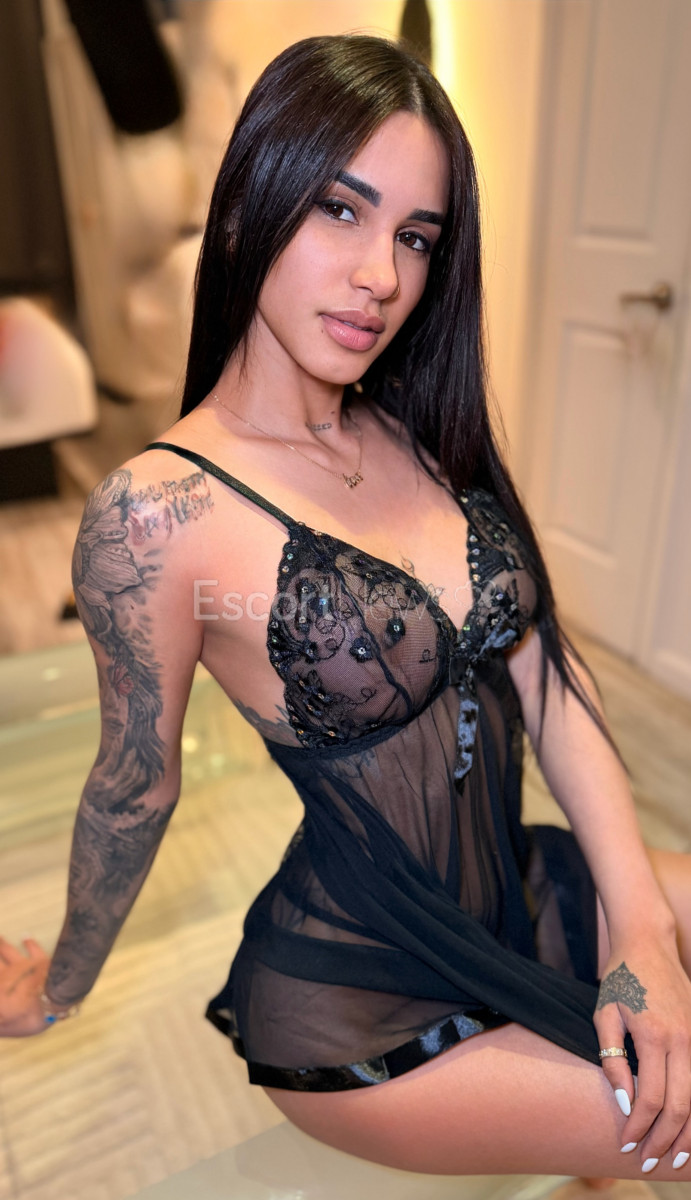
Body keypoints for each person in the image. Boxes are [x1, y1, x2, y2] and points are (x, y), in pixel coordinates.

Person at [1, 34, 690, 1188]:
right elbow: (132, 790)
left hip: (515, 890)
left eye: (416, 235)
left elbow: (546, 684)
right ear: (245, 210)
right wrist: (55, 989)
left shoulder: (416, 425)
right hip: (364, 994)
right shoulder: (157, 513)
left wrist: (639, 934)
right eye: (339, 209)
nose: (382, 274)